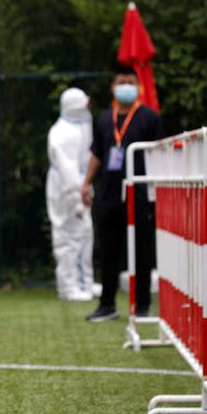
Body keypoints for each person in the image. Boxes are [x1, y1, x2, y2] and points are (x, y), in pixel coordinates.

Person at [80, 65, 164, 322]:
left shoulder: (150, 117)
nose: (125, 85)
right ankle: (107, 304)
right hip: (109, 193)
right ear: (113, 87)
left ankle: (141, 305)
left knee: (140, 250)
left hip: (139, 193)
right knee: (108, 251)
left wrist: (157, 189)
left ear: (137, 86)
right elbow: (97, 153)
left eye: (130, 81)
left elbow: (159, 154)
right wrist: (86, 183)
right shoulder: (105, 118)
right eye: (121, 81)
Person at [46, 87, 98, 301]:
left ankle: (85, 280)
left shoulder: (81, 125)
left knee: (85, 233)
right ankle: (69, 287)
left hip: (80, 184)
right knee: (69, 235)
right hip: (68, 188)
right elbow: (67, 167)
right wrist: (76, 196)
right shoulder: (62, 133)